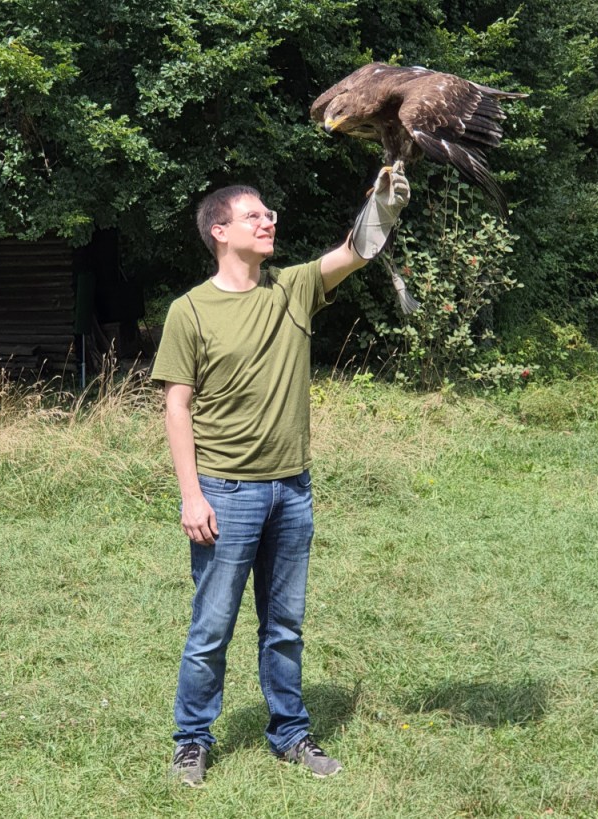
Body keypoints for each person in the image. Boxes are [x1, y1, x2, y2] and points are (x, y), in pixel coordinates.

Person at [151, 165, 410, 786]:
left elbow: (355, 251)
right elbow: (176, 405)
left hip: (292, 489)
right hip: (224, 492)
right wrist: (191, 495)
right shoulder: (189, 312)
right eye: (253, 215)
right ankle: (192, 740)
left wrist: (385, 204)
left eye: (269, 213)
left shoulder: (290, 289)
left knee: (285, 624)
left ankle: (291, 734)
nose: (269, 220)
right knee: (212, 626)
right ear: (220, 230)